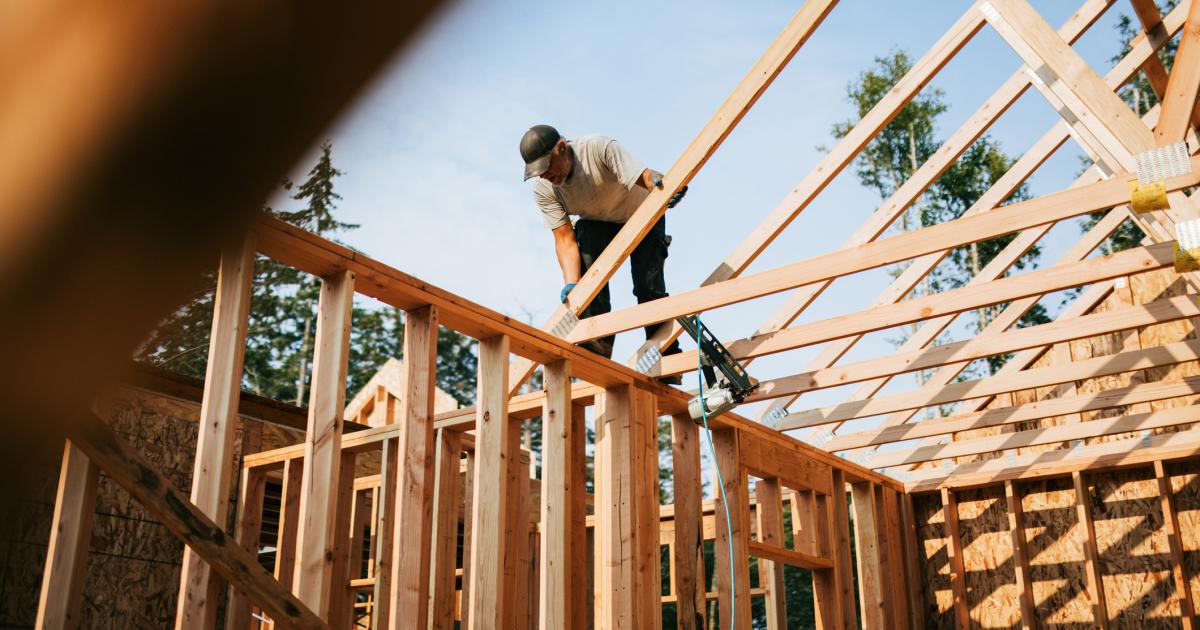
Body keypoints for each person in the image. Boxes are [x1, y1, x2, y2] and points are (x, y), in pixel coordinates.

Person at [520, 124, 685, 370]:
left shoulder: (597, 148)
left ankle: (665, 354)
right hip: (598, 223)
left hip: (641, 213)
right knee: (585, 243)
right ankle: (598, 341)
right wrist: (573, 284)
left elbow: (645, 177)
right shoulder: (545, 189)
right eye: (538, 172)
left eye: (546, 168)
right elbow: (564, 238)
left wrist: (666, 187)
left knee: (647, 287)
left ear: (562, 149)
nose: (544, 176)